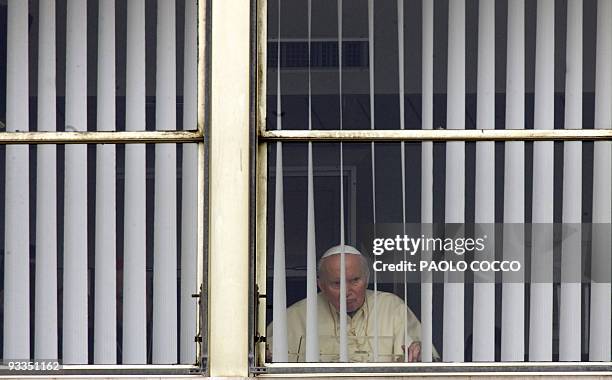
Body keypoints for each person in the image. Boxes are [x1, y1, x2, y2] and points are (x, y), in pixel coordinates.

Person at [267, 244, 435, 362]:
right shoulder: (295, 317)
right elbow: (263, 362)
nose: (346, 292)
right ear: (321, 285)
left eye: (355, 280)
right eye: (336, 283)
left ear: (367, 279)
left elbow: (429, 361)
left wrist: (420, 353)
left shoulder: (392, 308)